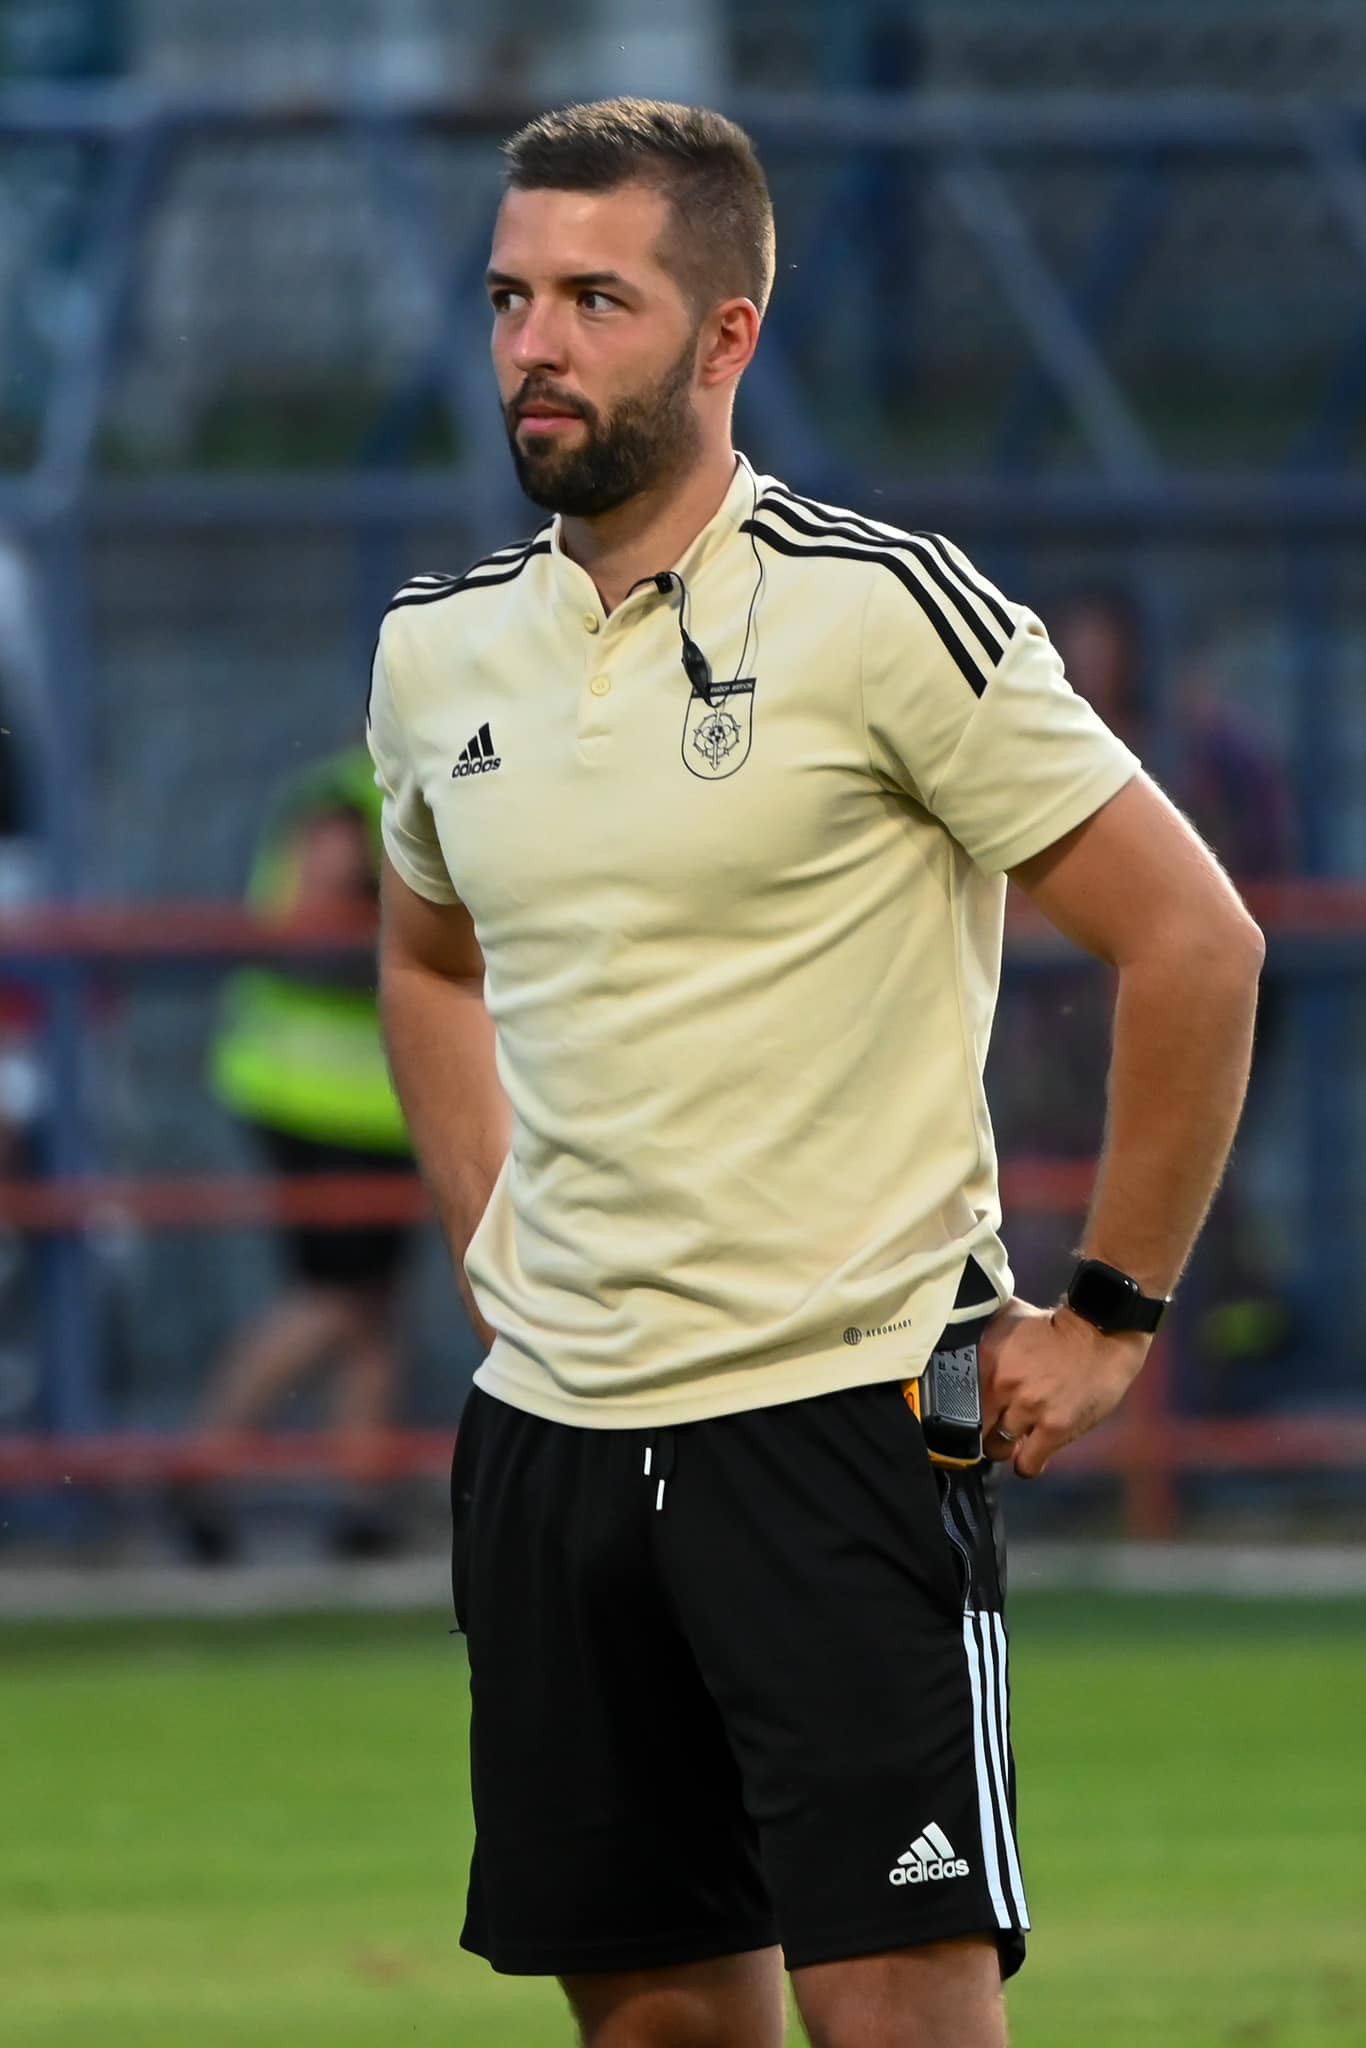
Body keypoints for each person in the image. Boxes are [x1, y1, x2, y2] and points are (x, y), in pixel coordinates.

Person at [367, 99, 1263, 2048]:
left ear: (726, 336)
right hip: (550, 1446)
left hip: (838, 1421)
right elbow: (427, 958)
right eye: (511, 297)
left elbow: (1195, 941)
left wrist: (1110, 1315)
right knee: (657, 2029)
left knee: (897, 2017)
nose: (535, 344)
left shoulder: (880, 611)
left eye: (595, 299)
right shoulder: (436, 653)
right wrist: (488, 1229)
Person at [175, 748, 416, 1563]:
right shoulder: (354, 799)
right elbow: (311, 925)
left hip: (369, 1097)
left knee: (372, 1301)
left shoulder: (380, 788)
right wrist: (421, 937)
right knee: (337, 1299)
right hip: (318, 1094)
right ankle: (203, 1465)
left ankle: (362, 1501)